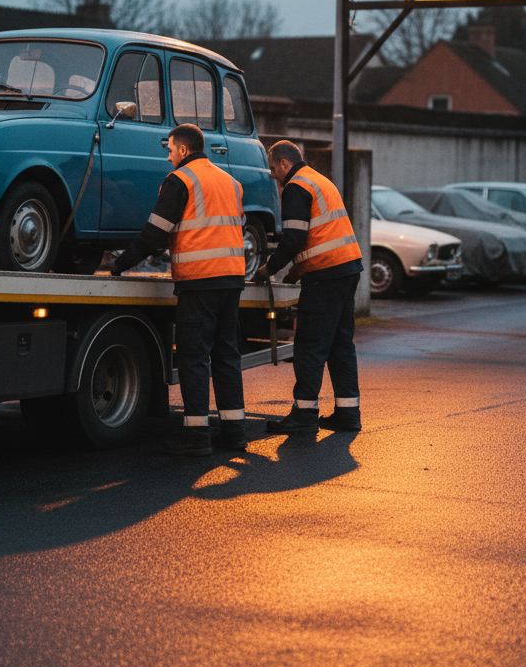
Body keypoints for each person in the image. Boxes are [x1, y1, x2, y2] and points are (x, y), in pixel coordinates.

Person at [112, 123, 247, 456]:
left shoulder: (180, 180)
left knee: (194, 358)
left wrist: (120, 263)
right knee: (226, 356)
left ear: (184, 150)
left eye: (170, 149)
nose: (168, 155)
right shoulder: (230, 181)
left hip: (200, 279)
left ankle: (197, 437)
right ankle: (234, 433)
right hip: (231, 278)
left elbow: (155, 232)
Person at [251, 140, 364, 434]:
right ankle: (348, 414)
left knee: (309, 346)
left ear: (284, 163)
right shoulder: (318, 180)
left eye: (273, 167)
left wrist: (267, 270)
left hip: (325, 274)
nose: (272, 174)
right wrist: (298, 270)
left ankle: (303, 415)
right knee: (340, 345)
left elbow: (294, 238)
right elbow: (320, 234)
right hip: (347, 267)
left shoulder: (295, 187)